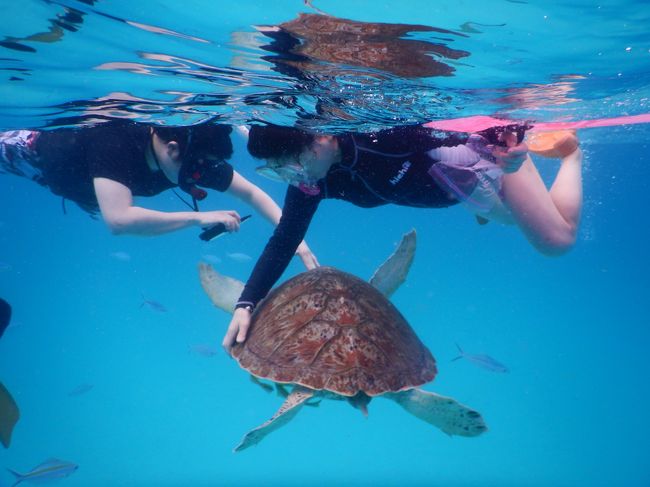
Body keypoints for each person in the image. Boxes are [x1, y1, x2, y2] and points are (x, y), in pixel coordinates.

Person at [222, 121, 583, 350]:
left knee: (555, 242)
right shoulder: (311, 179)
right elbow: (285, 238)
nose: (295, 179)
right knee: (505, 218)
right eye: (279, 173)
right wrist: (246, 303)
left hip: (481, 169)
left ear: (321, 139)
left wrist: (510, 148)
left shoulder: (380, 135)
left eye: (293, 167)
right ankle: (494, 207)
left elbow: (471, 129)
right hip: (457, 191)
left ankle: (570, 153)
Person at [0, 120, 317, 268]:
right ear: (172, 149)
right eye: (197, 170)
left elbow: (252, 195)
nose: (202, 176)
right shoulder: (115, 142)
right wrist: (198, 217)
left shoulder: (192, 157)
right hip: (28, 155)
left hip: (79, 184)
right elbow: (120, 220)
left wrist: (296, 241)